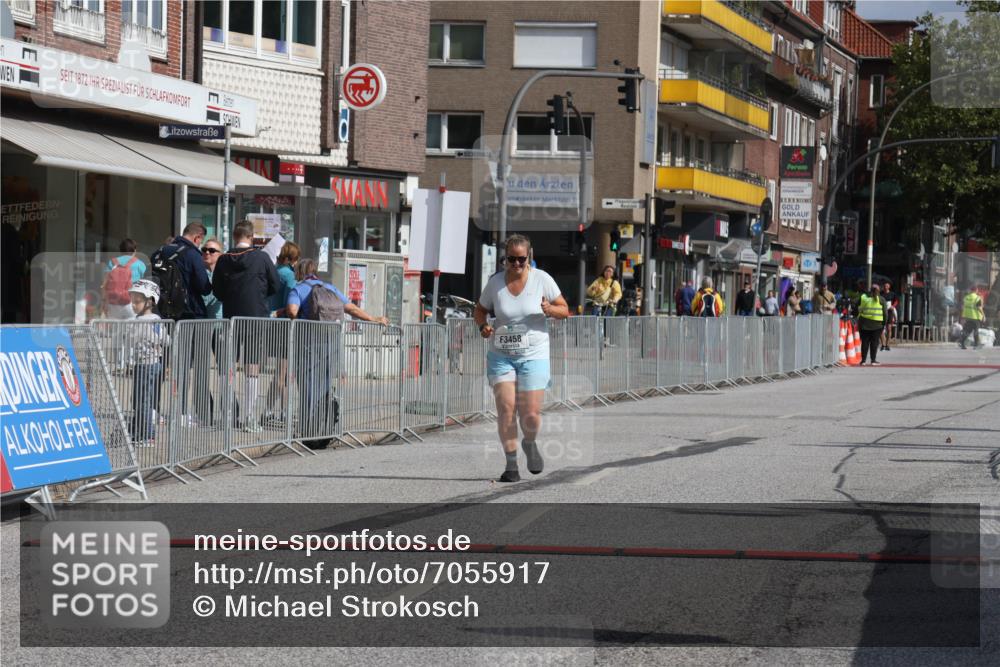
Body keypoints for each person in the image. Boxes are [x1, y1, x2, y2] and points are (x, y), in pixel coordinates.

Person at [474, 235, 569, 483]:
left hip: (533, 354)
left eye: (521, 259)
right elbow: (480, 309)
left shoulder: (542, 280)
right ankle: (511, 465)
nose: (516, 264)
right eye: (511, 259)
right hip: (501, 355)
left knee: (530, 414)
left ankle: (529, 442)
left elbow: (565, 309)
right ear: (505, 258)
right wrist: (483, 325)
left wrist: (551, 310)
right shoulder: (495, 283)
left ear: (530, 257)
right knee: (506, 409)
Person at [287, 258, 389, 449]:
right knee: (324, 387)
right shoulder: (330, 288)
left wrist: (287, 315)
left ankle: (310, 432)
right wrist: (374, 318)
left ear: (299, 273)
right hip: (331, 346)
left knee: (308, 388)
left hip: (308, 346)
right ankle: (324, 428)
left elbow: (292, 311)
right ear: (315, 271)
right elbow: (351, 308)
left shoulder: (298, 289)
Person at [212, 220, 281, 431]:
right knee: (252, 367)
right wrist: (260, 297)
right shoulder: (261, 258)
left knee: (227, 366)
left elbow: (217, 290)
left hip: (231, 316)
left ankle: (229, 414)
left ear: (234, 237)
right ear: (251, 237)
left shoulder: (224, 259)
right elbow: (275, 284)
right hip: (255, 317)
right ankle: (250, 417)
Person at [127, 280, 166, 446]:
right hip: (149, 363)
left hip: (146, 364)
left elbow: (162, 339)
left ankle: (147, 435)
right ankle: (140, 432)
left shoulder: (147, 320)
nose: (133, 305)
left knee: (142, 400)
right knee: (141, 399)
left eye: (137, 301)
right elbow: (166, 339)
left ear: (149, 302)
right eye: (132, 301)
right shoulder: (152, 319)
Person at [152, 222, 211, 319]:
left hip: (161, 310)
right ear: (197, 238)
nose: (200, 245)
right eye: (201, 241)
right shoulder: (193, 254)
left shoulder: (160, 251)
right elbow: (204, 287)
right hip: (188, 311)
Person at [102, 238, 146, 320]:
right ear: (135, 250)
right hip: (132, 302)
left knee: (114, 330)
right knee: (131, 330)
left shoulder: (112, 262)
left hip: (113, 302)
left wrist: (104, 301)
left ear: (120, 250)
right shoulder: (140, 264)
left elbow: (105, 284)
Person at [857, 283, 887, 366]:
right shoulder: (881, 299)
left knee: (865, 342)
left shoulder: (863, 298)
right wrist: (884, 323)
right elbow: (885, 313)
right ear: (878, 291)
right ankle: (873, 360)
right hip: (877, 324)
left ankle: (863, 361)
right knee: (874, 343)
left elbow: (857, 308)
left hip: (864, 324)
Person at [271, 241, 300, 317]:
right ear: (288, 259)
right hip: (281, 319)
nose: (296, 262)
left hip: (268, 315)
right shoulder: (290, 275)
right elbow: (289, 301)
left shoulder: (273, 270)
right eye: (295, 259)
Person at [881, 281, 898, 351]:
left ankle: (888, 344)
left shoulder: (892, 294)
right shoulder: (881, 294)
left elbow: (896, 301)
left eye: (887, 286)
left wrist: (893, 306)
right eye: (885, 286)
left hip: (889, 312)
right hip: (882, 312)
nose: (885, 287)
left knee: (889, 328)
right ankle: (883, 344)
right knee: (881, 329)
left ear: (889, 287)